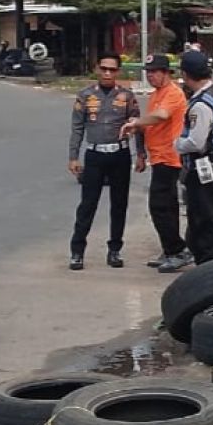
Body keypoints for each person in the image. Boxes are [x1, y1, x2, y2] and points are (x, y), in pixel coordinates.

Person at [68, 54, 142, 271]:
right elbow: (77, 128)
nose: (108, 73)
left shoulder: (127, 97)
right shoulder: (85, 96)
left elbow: (137, 125)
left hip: (120, 155)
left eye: (112, 69)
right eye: (104, 69)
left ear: (118, 71)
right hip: (95, 156)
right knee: (87, 205)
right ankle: (77, 251)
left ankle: (115, 250)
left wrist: (141, 154)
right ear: (97, 69)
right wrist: (73, 157)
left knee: (119, 205)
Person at [121, 53, 193, 273]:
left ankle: (177, 250)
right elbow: (148, 126)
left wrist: (135, 122)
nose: (151, 76)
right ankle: (171, 248)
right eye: (149, 72)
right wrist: (141, 153)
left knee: (160, 206)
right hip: (158, 157)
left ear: (166, 73)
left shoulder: (173, 93)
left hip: (170, 158)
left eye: (155, 72)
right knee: (166, 207)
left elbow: (161, 116)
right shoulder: (157, 95)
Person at [174, 50, 213, 264]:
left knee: (204, 222)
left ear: (186, 75)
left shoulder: (200, 104)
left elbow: (196, 143)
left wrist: (177, 144)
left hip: (204, 168)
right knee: (209, 219)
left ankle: (209, 269)